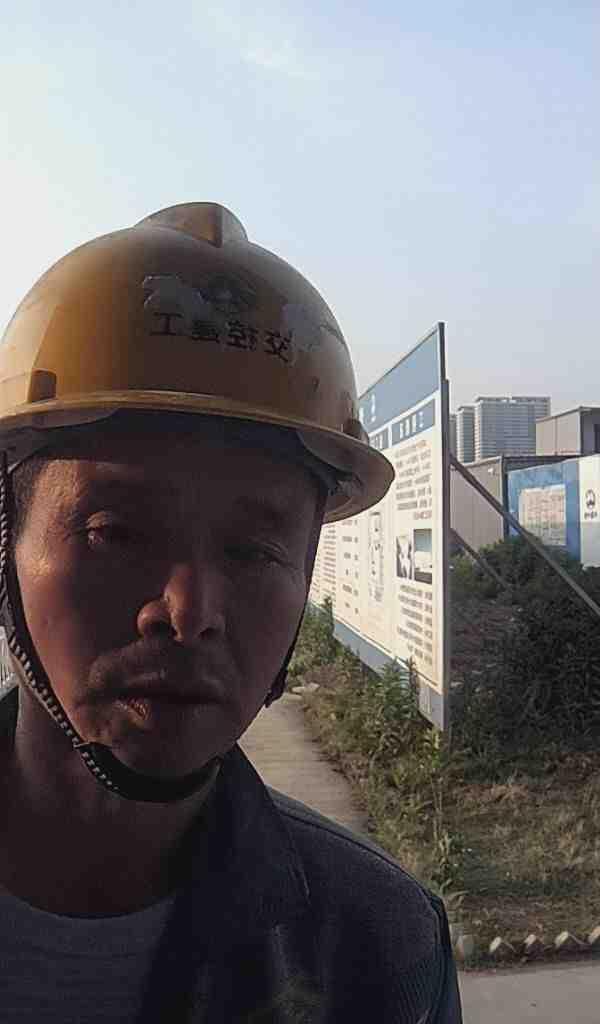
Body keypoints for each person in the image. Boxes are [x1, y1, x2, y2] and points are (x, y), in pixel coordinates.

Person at [0, 202, 462, 1022]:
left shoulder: (381, 951)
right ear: (6, 542)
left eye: (254, 551)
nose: (188, 613)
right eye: (114, 532)